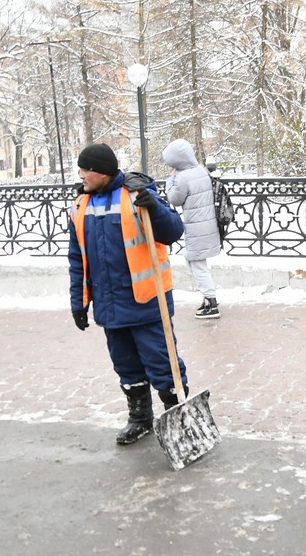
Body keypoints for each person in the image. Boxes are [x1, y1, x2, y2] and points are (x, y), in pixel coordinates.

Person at [68, 142, 190, 445]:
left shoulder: (137, 193)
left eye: (85, 169)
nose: (81, 175)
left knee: (164, 365)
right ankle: (140, 418)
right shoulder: (81, 205)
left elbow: (173, 231)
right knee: (125, 365)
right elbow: (76, 257)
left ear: (100, 172)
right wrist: (78, 302)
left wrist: (155, 208)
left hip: (147, 301)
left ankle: (179, 419)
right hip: (109, 304)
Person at [162, 139, 222, 320]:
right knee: (195, 262)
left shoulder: (181, 177)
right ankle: (208, 298)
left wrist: (170, 180)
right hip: (207, 224)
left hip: (196, 227)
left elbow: (175, 199)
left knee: (197, 264)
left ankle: (211, 302)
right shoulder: (201, 170)